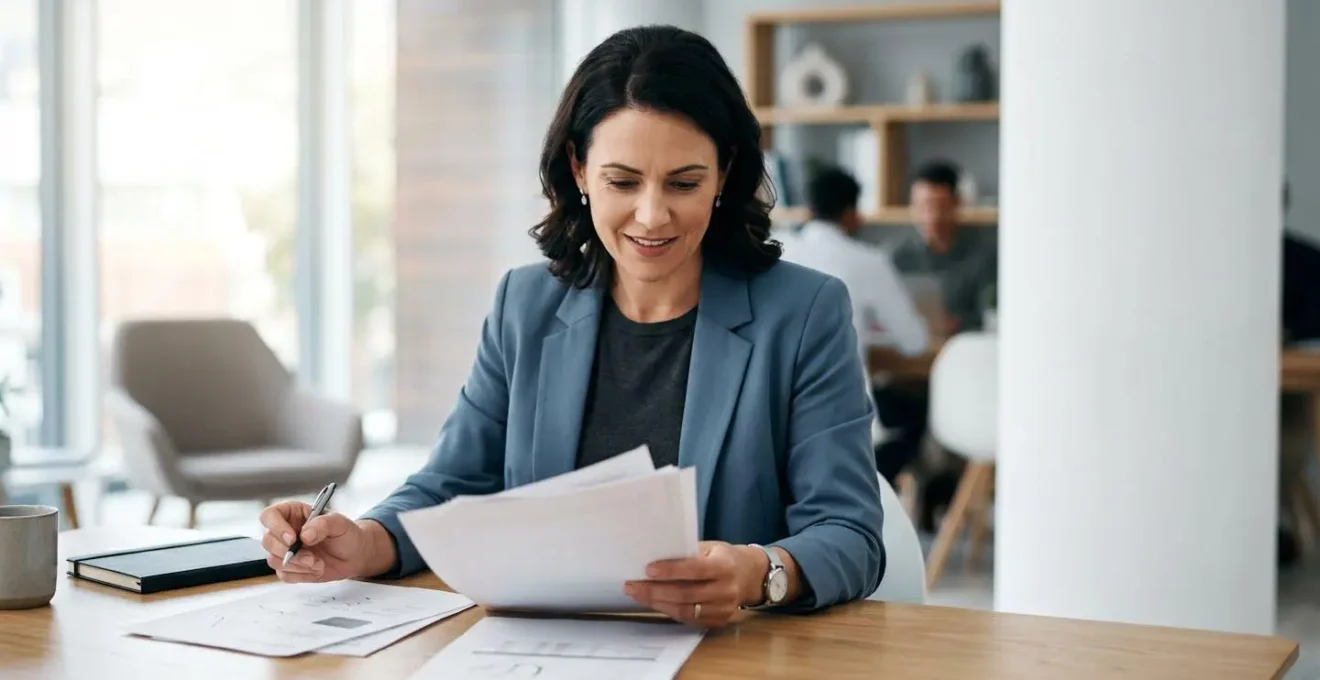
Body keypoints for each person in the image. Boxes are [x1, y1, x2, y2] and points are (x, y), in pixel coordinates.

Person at [256, 25, 885, 628]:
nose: (652, 214)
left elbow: (851, 533)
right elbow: (454, 483)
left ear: (724, 174)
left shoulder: (804, 313)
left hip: (727, 655)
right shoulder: (524, 305)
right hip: (542, 651)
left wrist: (760, 572)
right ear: (579, 171)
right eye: (623, 181)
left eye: (684, 182)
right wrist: (367, 541)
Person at [779, 166, 929, 485]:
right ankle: (876, 488)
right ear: (851, 212)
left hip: (774, 406)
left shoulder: (777, 248)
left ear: (809, 208)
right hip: (839, 413)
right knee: (918, 412)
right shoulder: (865, 259)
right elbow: (914, 341)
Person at [890, 160, 998, 334]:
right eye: (923, 207)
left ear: (957, 204)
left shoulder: (983, 258)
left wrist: (960, 324)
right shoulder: (896, 256)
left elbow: (990, 317)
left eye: (940, 206)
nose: (931, 217)